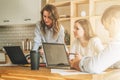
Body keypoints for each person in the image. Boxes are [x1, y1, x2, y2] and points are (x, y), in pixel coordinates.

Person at [70, 5, 120, 73]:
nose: (109, 35)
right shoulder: (76, 41)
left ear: (114, 22)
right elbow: (113, 64)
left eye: (108, 29)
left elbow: (93, 67)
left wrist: (80, 61)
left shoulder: (117, 42)